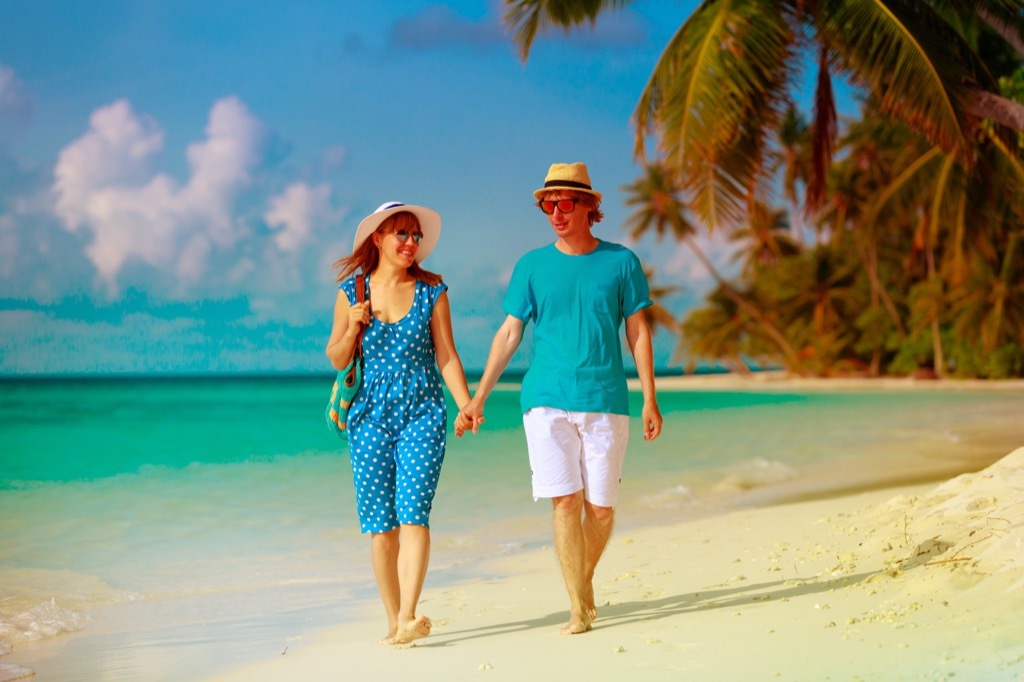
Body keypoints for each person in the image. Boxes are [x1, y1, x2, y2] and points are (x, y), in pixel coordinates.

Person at [457, 162, 664, 635]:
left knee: (602, 509)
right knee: (565, 503)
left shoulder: (621, 262)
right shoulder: (531, 265)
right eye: (547, 204)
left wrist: (650, 396)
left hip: (606, 398)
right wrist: (478, 397)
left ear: (591, 207)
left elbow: (637, 331)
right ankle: (577, 606)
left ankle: (582, 581)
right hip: (545, 399)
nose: (555, 212)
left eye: (566, 202)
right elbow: (510, 333)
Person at [326, 201, 473, 645]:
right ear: (378, 239)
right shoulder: (351, 293)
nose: (411, 243)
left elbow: (446, 355)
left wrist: (465, 404)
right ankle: (394, 622)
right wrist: (352, 327)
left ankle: (409, 614)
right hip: (368, 417)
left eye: (416, 236)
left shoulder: (433, 291)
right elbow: (335, 356)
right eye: (402, 235)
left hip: (422, 413)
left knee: (414, 515)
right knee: (380, 526)